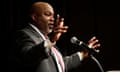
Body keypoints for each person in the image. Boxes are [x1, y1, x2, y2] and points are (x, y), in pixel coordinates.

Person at [15, 1, 101, 72]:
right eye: (48, 14)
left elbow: (61, 65)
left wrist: (84, 53)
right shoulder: (24, 34)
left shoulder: (46, 39)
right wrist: (51, 40)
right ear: (34, 17)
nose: (52, 18)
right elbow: (28, 57)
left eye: (53, 16)